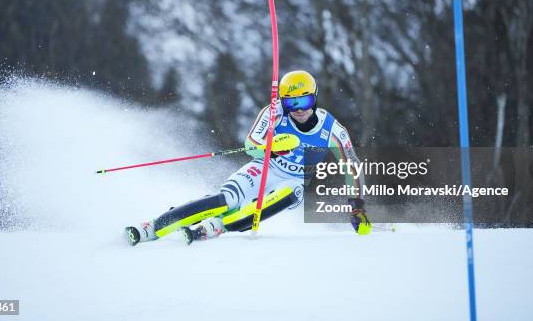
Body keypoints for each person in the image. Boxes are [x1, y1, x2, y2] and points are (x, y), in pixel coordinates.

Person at [125, 70, 370, 245]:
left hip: (293, 180)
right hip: (263, 168)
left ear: (314, 98)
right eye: (291, 102)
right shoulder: (274, 113)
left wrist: (356, 207)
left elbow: (352, 166)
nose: (299, 109)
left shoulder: (332, 129)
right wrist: (271, 148)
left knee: (288, 195)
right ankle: (155, 227)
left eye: (305, 101)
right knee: (226, 200)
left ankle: (219, 226)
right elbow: (251, 145)